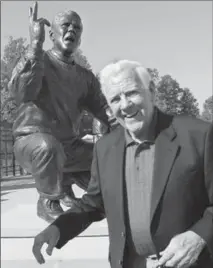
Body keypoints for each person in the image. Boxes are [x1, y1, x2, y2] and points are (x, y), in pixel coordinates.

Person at [32, 60, 213, 268]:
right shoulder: (104, 148)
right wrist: (58, 228)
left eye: (132, 93)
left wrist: (198, 236)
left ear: (151, 91)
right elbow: (93, 204)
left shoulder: (199, 136)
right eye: (115, 99)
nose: (125, 105)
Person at [8, 2, 112, 223]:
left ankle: (69, 179)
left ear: (80, 38)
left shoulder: (85, 77)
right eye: (65, 25)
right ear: (52, 33)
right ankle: (48, 201)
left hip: (68, 147)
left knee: (106, 154)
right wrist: (35, 45)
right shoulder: (39, 60)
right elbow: (21, 92)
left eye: (77, 28)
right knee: (49, 147)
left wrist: (134, 126)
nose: (71, 30)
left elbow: (104, 111)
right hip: (32, 142)